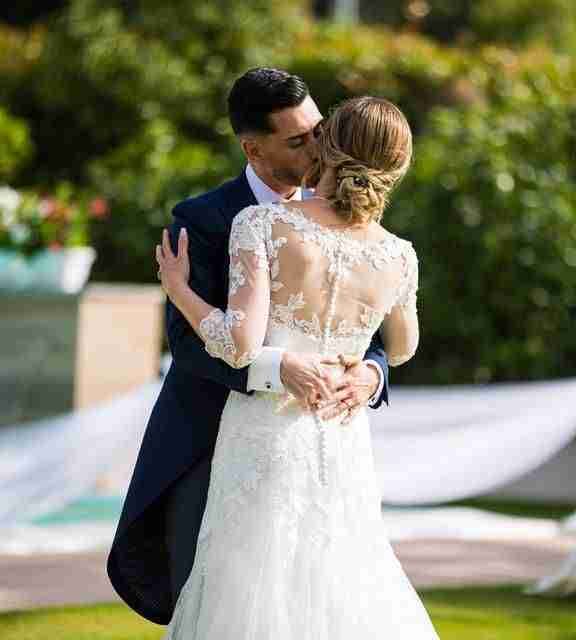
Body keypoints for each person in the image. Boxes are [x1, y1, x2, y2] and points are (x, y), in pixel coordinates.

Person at [106, 68, 392, 626]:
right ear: (252, 147)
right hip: (211, 444)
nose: (319, 146)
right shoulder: (204, 219)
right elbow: (188, 345)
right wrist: (277, 368)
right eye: (298, 139)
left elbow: (374, 334)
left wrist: (373, 375)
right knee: (214, 607)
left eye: (318, 130)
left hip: (320, 452)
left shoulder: (349, 211)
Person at [155, 94, 438, 638]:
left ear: (327, 145)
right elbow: (401, 347)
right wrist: (366, 368)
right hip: (342, 441)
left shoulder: (261, 224)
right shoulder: (399, 255)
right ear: (394, 168)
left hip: (265, 438)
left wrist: (181, 291)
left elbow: (237, 345)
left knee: (247, 585)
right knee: (344, 580)